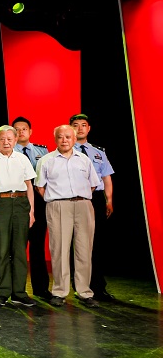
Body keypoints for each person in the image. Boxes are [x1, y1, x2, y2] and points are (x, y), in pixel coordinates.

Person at [35, 124, 101, 308]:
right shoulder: (46, 160)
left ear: (74, 139)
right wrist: (56, 199)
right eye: (60, 137)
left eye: (68, 137)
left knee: (84, 249)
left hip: (83, 205)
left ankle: (84, 292)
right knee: (59, 249)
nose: (64, 140)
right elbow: (40, 187)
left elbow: (93, 184)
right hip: (58, 205)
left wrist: (79, 197)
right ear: (55, 139)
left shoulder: (84, 160)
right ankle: (59, 292)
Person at [0, 125, 37, 306]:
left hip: (21, 203)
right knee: (1, 250)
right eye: (2, 139)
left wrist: (31, 211)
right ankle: (1, 291)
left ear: (15, 140)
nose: (6, 142)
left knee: (20, 249)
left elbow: (29, 185)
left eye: (9, 139)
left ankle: (19, 292)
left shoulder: (22, 158)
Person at [70, 113, 116, 301]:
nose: (80, 128)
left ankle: (98, 286)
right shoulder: (66, 150)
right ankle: (79, 286)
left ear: (89, 129)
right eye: (76, 125)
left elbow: (106, 177)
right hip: (75, 198)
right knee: (76, 243)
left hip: (96, 199)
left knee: (97, 244)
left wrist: (108, 200)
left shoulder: (98, 152)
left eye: (83, 125)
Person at [12, 116, 51, 300]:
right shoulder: (7, 151)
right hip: (17, 199)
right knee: (16, 247)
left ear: (30, 131)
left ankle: (41, 288)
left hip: (39, 199)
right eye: (17, 129)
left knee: (37, 245)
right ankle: (16, 289)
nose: (21, 132)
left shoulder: (42, 151)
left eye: (24, 129)